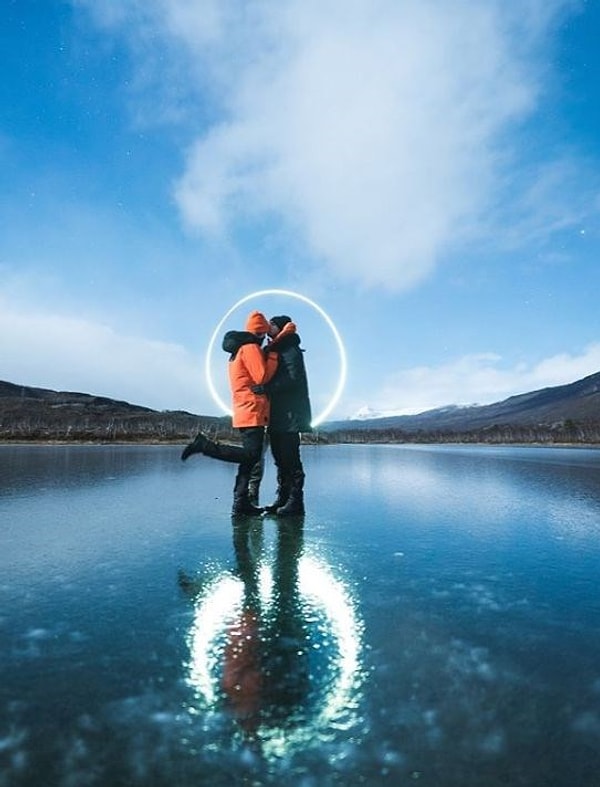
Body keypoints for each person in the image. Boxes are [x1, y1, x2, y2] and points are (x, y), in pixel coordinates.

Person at [181, 310, 277, 516]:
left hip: (244, 409)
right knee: (252, 455)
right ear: (260, 332)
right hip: (253, 410)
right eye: (264, 332)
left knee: (249, 459)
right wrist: (273, 357)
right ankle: (205, 446)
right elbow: (261, 376)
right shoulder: (250, 348)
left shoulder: (238, 350)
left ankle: (240, 503)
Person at [252, 315, 312, 516]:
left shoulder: (290, 350)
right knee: (279, 458)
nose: (269, 327)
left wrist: (266, 388)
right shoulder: (277, 350)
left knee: (290, 459)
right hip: (279, 415)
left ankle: (296, 502)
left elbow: (293, 379)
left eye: (273, 325)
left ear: (281, 327)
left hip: (290, 416)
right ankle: (283, 498)